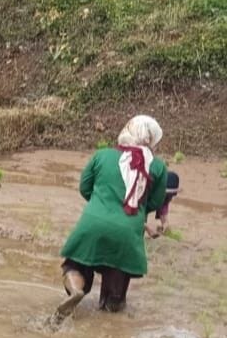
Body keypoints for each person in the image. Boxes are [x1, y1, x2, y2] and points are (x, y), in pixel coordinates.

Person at [56, 115, 167, 317]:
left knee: (75, 266)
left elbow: (84, 187)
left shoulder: (102, 155)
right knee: (113, 303)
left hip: (92, 224)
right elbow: (155, 202)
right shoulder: (158, 167)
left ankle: (75, 290)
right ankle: (110, 316)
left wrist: (101, 203)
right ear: (150, 140)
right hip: (127, 233)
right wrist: (135, 211)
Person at [145, 171, 179, 238]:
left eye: (171, 195)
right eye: (166, 195)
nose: (170, 198)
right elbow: (134, 215)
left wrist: (165, 224)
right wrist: (147, 227)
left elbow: (163, 208)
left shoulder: (166, 197)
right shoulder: (145, 192)